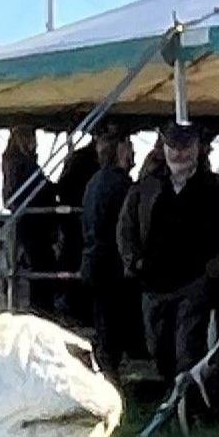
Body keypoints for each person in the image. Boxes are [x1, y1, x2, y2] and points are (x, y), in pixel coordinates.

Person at [121, 123, 219, 390]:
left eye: (185, 148)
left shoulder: (218, 189)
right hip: (154, 284)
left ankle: (185, 405)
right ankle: (172, 396)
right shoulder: (145, 188)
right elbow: (126, 230)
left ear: (198, 149)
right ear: (163, 148)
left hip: (195, 283)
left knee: (188, 348)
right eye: (173, 148)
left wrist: (214, 270)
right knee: (159, 349)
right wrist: (135, 262)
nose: (179, 154)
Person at [76, 127, 139, 374]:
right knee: (113, 328)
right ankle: (111, 377)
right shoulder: (122, 185)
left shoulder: (94, 182)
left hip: (93, 260)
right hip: (112, 264)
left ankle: (109, 373)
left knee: (104, 326)